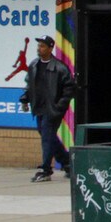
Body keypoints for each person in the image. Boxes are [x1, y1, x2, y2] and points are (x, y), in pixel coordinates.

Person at [18, 35, 77, 182]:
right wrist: (25, 99)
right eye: (38, 46)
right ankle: (67, 162)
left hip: (53, 110)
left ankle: (45, 169)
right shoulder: (34, 65)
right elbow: (29, 85)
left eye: (43, 46)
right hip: (39, 108)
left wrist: (59, 106)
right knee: (47, 136)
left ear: (51, 48)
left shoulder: (60, 68)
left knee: (46, 137)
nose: (39, 49)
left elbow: (69, 89)